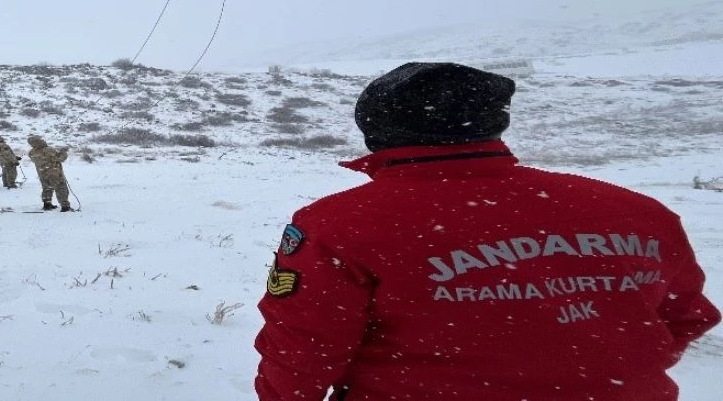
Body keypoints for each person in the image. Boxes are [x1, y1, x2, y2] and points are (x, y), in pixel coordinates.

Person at [254, 62, 721, 401]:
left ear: (375, 131)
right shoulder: (637, 212)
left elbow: (304, 352)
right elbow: (684, 318)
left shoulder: (340, 225)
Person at [27, 135, 72, 212]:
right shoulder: (48, 150)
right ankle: (65, 206)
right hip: (54, 173)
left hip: (42, 174)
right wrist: (63, 152)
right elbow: (60, 158)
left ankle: (47, 204)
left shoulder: (31, 152)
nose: (43, 140)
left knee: (47, 188)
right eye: (41, 140)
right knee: (61, 188)